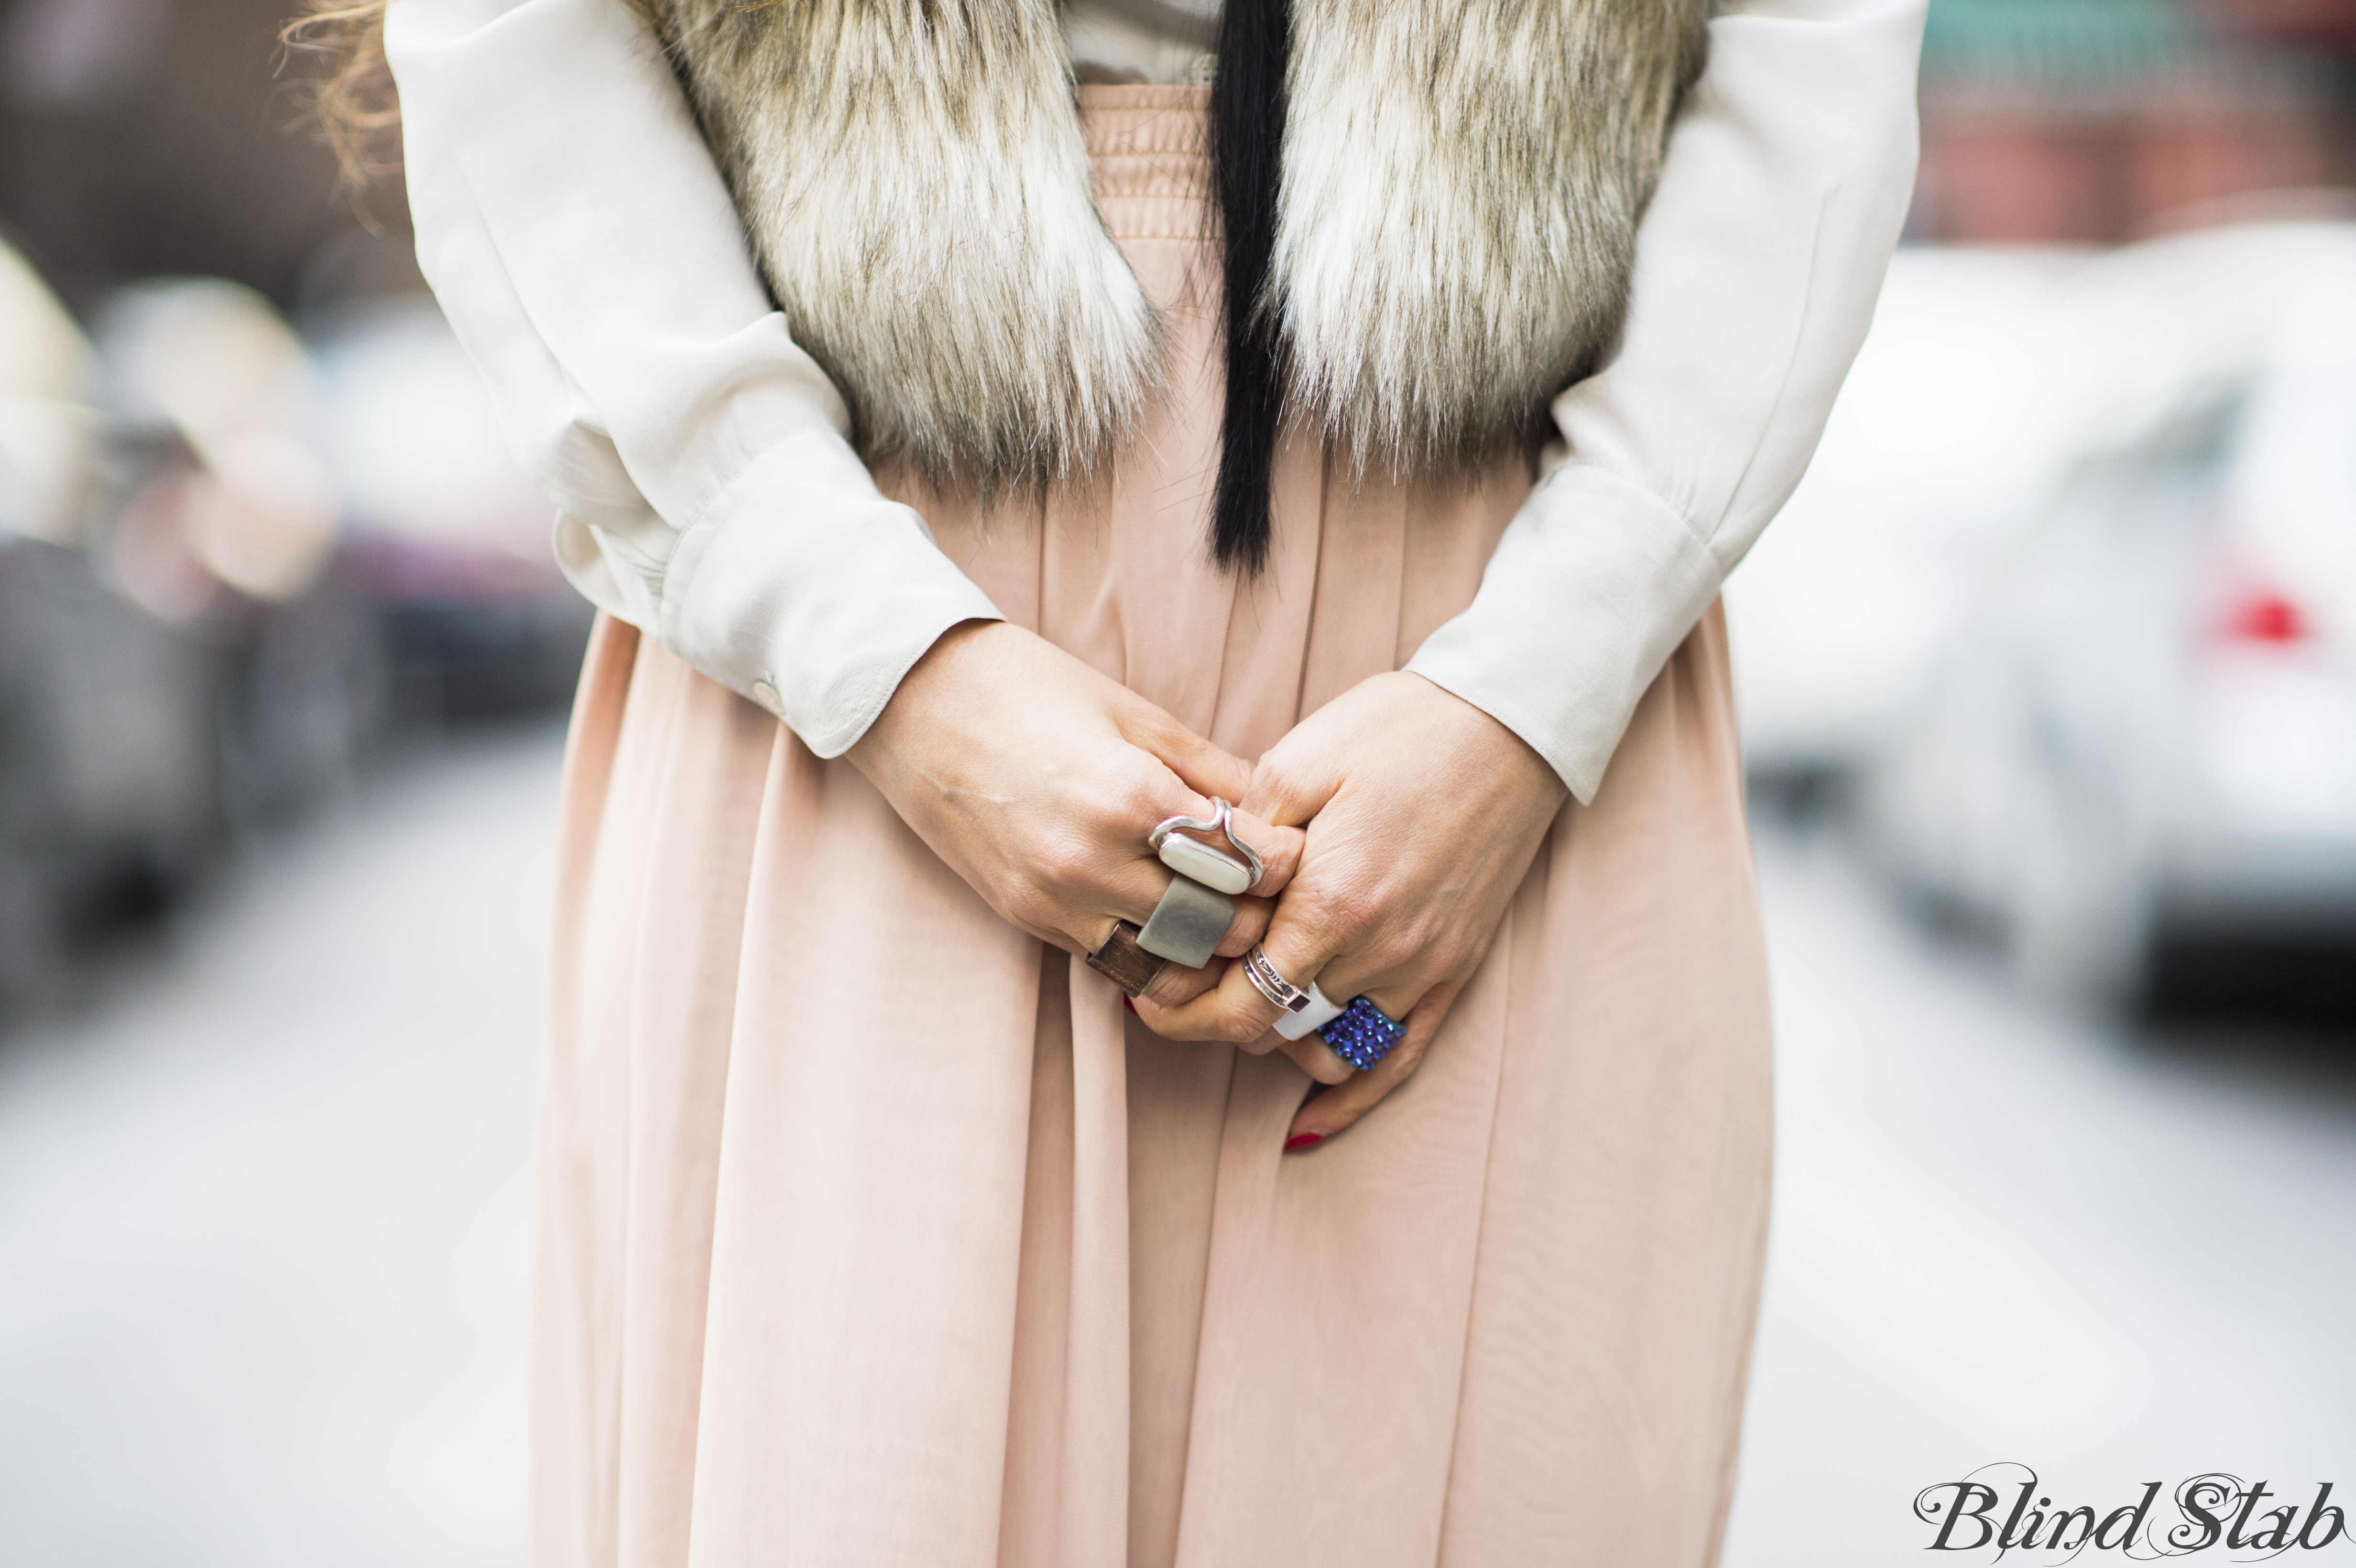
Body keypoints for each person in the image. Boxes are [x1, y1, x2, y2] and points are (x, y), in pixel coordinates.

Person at [307, 0, 1922, 1558]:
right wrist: (878, 656)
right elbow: (517, 38)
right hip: (868, 671)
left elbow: (1813, 45)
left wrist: (1532, 685)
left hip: (1496, 707)